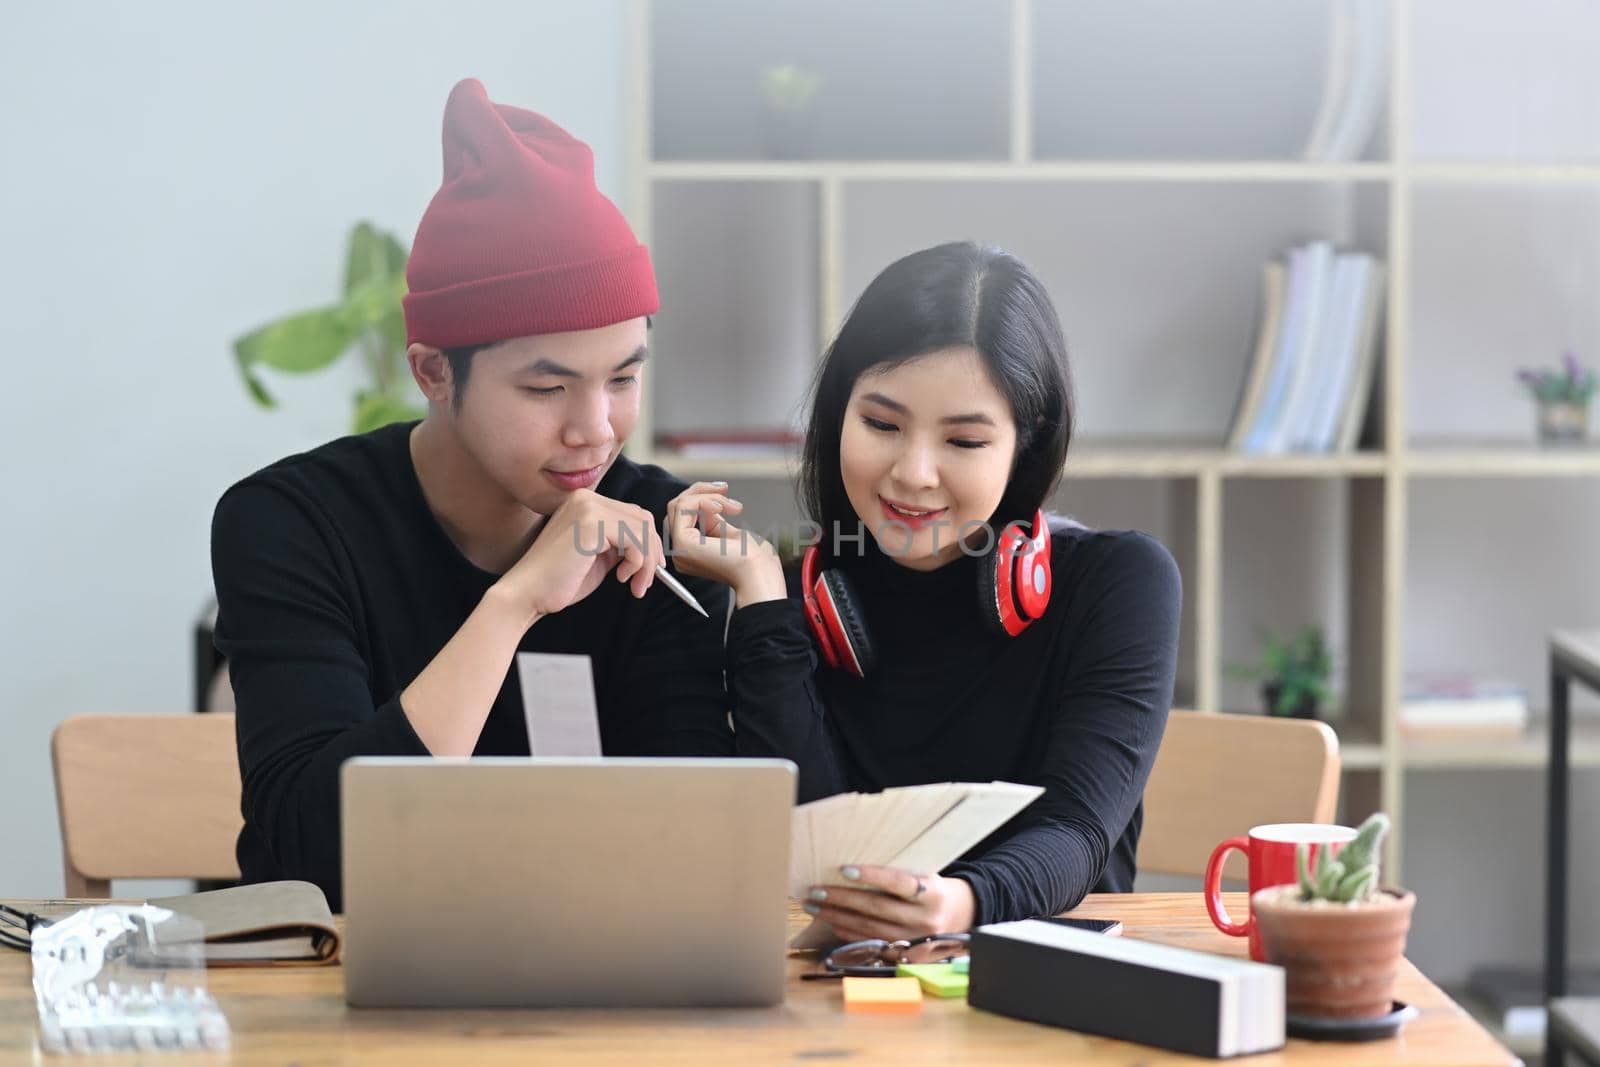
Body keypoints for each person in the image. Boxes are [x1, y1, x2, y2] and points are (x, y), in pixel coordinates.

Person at [211, 79, 738, 909]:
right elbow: (319, 857)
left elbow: (697, 845)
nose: (595, 431)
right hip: (339, 998)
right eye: (546, 388)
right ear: (432, 372)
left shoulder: (658, 533)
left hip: (605, 991)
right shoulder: (291, 524)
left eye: (624, 378)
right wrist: (515, 604)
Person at [668, 241, 1182, 943]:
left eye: (964, 441)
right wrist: (761, 593)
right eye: (881, 424)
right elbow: (816, 866)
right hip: (846, 1014)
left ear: (1024, 445)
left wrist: (960, 904)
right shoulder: (794, 610)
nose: (913, 473)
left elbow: (1076, 831)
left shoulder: (1120, 583)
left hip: (1046, 1005)